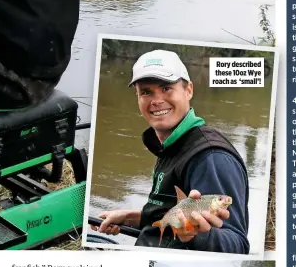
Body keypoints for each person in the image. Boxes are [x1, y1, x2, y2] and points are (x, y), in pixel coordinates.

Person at [91, 49, 249, 253]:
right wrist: (130, 218)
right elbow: (170, 215)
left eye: (166, 88)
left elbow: (238, 247)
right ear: (137, 98)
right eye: (146, 92)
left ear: (189, 90)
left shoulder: (211, 157)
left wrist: (197, 234)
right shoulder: (172, 145)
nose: (156, 100)